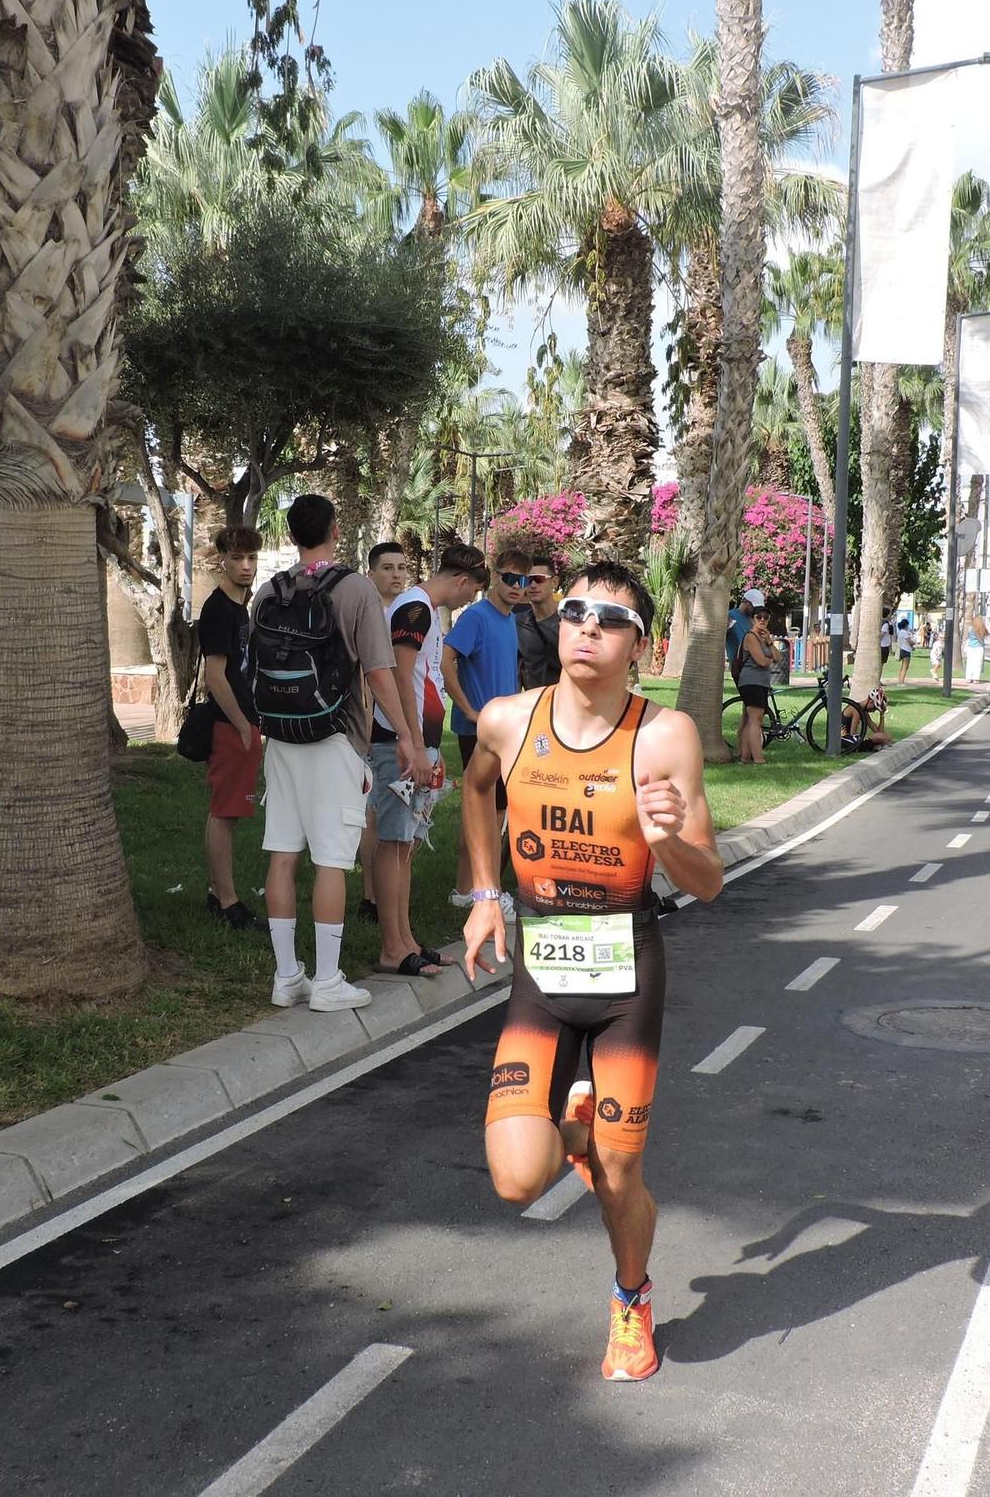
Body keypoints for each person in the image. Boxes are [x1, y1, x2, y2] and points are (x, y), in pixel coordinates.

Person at [461, 560, 723, 1383]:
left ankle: (631, 1298)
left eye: (610, 620)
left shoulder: (662, 735)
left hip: (625, 978)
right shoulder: (507, 721)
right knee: (515, 1177)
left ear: (641, 646)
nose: (585, 627)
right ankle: (575, 1132)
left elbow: (707, 881)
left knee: (619, 1176)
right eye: (573, 610)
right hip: (542, 973)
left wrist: (669, 838)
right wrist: (482, 894)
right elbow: (477, 793)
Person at [251, 493, 421, 1012]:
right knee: (331, 860)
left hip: (280, 735)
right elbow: (378, 670)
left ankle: (286, 977)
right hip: (335, 737)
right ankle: (327, 981)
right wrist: (407, 736)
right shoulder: (355, 589)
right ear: (335, 529)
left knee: (282, 853)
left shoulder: (268, 590)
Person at [369, 542, 486, 975]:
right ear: (461, 581)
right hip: (401, 744)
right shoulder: (415, 609)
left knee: (407, 844)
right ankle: (392, 946)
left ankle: (405, 939)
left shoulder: (423, 610)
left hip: (419, 742)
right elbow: (399, 676)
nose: (466, 601)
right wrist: (413, 744)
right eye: (469, 593)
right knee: (395, 841)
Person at [443, 543, 530, 914]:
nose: (516, 586)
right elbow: (446, 663)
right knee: (488, 814)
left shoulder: (511, 619)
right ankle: (485, 892)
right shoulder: (475, 617)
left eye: (523, 580)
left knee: (488, 813)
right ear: (494, 577)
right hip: (478, 731)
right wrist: (469, 710)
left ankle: (467, 888)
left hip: (504, 730)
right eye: (509, 578)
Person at [198, 525, 266, 930]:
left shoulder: (240, 606)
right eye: (238, 558)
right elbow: (216, 676)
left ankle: (218, 891)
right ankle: (227, 902)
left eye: (252, 558)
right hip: (230, 723)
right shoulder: (219, 608)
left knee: (229, 811)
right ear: (222, 559)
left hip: (244, 720)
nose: (245, 566)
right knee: (224, 812)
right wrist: (242, 725)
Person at [358, 540, 417, 921]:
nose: (395, 574)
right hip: (371, 728)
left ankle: (381, 895)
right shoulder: (368, 615)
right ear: (372, 574)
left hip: (395, 729)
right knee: (370, 813)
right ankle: (370, 894)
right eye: (387, 568)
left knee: (387, 814)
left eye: (400, 567)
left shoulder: (407, 614)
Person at [514, 557, 563, 690]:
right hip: (537, 703)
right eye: (528, 580)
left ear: (554, 582)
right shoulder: (517, 623)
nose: (533, 585)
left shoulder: (570, 620)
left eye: (539, 579)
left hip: (568, 701)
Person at [735, 609, 776, 763]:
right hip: (751, 682)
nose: (762, 620)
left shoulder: (765, 638)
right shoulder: (750, 637)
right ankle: (758, 758)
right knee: (756, 720)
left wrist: (770, 642)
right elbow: (762, 661)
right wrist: (770, 660)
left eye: (766, 617)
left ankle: (745, 756)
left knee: (750, 719)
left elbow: (778, 656)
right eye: (759, 617)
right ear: (753, 619)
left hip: (761, 682)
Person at [727, 588, 762, 682]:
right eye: (753, 607)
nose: (755, 610)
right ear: (746, 602)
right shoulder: (730, 616)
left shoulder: (753, 620)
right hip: (740, 667)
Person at [367, 540, 413, 605]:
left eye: (401, 568)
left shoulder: (416, 609)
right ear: (371, 575)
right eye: (387, 568)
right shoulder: (359, 611)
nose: (396, 575)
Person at [893, 614, 915, 683]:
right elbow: (910, 641)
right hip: (906, 650)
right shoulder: (904, 632)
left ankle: (900, 680)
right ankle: (901, 682)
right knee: (905, 667)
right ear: (906, 625)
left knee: (903, 667)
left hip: (903, 649)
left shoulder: (900, 632)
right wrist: (914, 642)